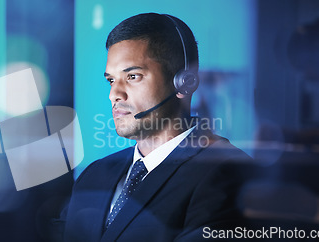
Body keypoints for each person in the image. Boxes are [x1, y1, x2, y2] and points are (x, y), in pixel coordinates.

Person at [59, 13, 252, 241]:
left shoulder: (225, 171)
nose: (114, 95)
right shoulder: (94, 175)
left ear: (185, 82)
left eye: (133, 76)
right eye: (111, 80)